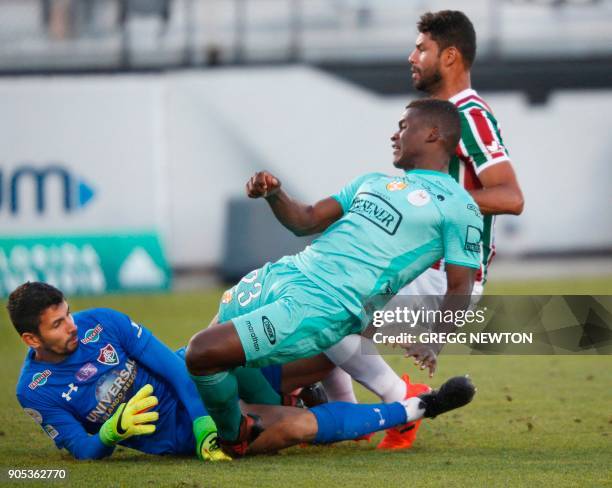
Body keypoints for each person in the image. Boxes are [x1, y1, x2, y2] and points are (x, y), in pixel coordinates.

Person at [185, 98, 484, 457]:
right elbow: (306, 220)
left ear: (433, 133)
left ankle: (234, 436)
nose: (394, 134)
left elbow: (460, 285)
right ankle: (282, 409)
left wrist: (436, 339)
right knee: (214, 356)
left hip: (321, 306)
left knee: (201, 352)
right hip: (285, 273)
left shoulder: (458, 205)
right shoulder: (372, 182)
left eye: (404, 126)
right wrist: (275, 194)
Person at [320, 9, 525, 450]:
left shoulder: (469, 114)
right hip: (418, 269)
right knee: (319, 323)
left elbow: (510, 196)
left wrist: (433, 203)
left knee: (330, 320)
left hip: (441, 277)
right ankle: (339, 420)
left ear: (449, 56)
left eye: (421, 48)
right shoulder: (442, 113)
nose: (411, 56)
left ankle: (401, 404)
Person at [9, 282, 474, 460]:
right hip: (184, 438)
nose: (72, 326)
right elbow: (83, 453)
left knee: (324, 340)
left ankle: (336, 386)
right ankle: (419, 406)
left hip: (201, 394)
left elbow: (173, 364)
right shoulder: (37, 392)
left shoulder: (101, 322)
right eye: (58, 324)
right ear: (31, 339)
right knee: (298, 428)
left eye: (68, 313)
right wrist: (111, 432)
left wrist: (204, 417)